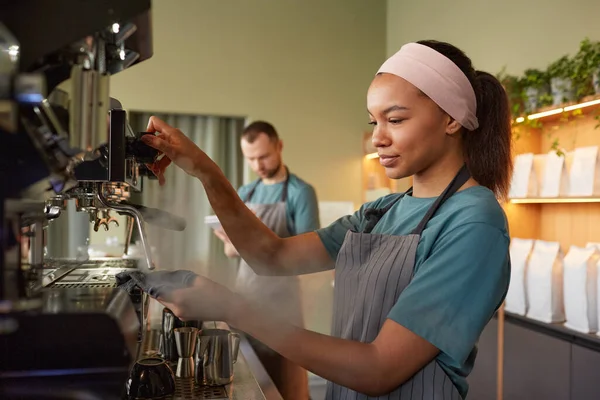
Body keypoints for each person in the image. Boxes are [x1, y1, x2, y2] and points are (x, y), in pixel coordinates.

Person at [140, 39, 512, 399]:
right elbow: (271, 256)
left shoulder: (474, 223)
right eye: (373, 122)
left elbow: (379, 368)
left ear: (451, 119)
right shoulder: (381, 211)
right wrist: (206, 171)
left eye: (395, 119)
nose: (377, 138)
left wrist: (231, 308)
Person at [213, 120, 319, 400]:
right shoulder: (246, 192)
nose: (258, 165)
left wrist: (261, 241)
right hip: (246, 299)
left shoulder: (300, 192)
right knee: (251, 384)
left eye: (263, 156)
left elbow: (308, 255)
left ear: (279, 146)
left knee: (290, 389)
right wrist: (231, 242)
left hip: (283, 306)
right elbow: (231, 253)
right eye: (250, 159)